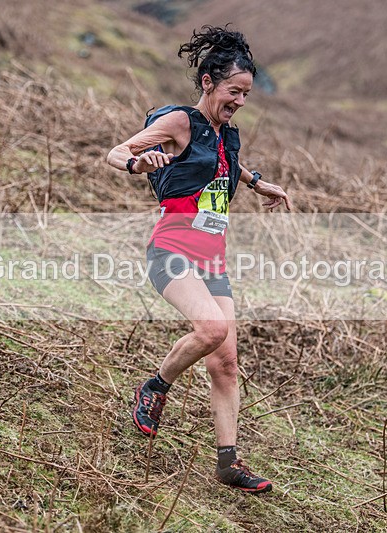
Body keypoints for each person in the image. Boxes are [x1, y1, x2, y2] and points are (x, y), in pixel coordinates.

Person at [106, 25, 291, 494]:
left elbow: (224, 162)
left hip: (212, 260)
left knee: (225, 362)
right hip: (171, 251)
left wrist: (257, 184)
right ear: (208, 82)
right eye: (234, 92)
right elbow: (117, 151)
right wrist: (137, 163)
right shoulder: (180, 122)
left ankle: (228, 463)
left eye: (246, 94)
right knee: (212, 329)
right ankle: (155, 386)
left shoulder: (225, 135)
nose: (240, 101)